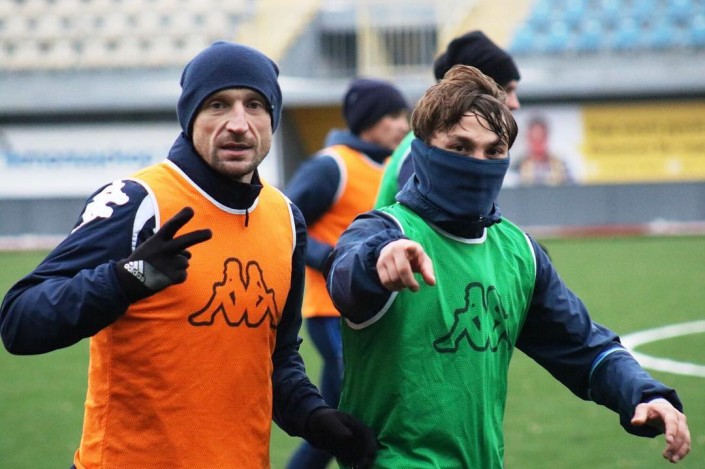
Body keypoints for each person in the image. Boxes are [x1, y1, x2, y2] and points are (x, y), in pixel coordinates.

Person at [0, 41, 377, 469]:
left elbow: (277, 358)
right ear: (190, 115)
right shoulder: (138, 201)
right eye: (218, 105)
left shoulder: (286, 219)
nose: (239, 124)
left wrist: (314, 417)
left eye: (254, 105)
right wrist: (127, 279)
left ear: (272, 118)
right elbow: (20, 321)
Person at [325, 64, 691, 467]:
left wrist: (644, 393)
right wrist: (377, 263)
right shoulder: (384, 230)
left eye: (494, 151)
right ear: (423, 149)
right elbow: (344, 276)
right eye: (460, 147)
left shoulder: (520, 253)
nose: (478, 163)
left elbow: (585, 347)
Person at [284, 77, 409, 469]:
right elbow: (285, 222)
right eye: (392, 116)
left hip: (373, 310)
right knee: (358, 416)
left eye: (404, 115)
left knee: (333, 427)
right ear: (367, 120)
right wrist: (329, 257)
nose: (403, 125)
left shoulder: (392, 167)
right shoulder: (331, 165)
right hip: (328, 309)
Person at [375, 30, 521, 208]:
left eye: (493, 152)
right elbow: (424, 220)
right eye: (507, 90)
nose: (515, 103)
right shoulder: (427, 149)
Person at [512, 115, 573, 185]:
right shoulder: (517, 166)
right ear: (528, 138)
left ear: (547, 137)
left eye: (541, 138)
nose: (537, 142)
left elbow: (572, 187)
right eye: (534, 138)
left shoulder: (561, 165)